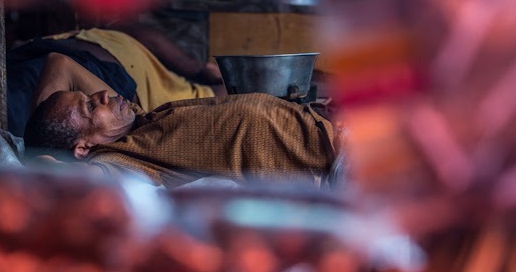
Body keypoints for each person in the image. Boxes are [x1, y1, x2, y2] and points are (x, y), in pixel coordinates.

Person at [0, 27, 224, 136]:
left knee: (12, 93)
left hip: (93, 69)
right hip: (80, 50)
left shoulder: (202, 107)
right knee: (18, 91)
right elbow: (138, 30)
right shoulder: (195, 73)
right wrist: (196, 67)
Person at [23, 86, 340, 189]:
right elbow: (82, 182)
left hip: (327, 119)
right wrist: (44, 162)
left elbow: (59, 61)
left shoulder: (140, 121)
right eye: (91, 106)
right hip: (334, 157)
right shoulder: (120, 159)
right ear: (83, 147)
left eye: (92, 95)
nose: (103, 93)